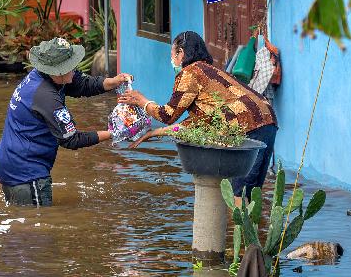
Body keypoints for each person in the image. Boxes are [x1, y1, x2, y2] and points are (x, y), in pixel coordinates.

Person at [118, 31, 277, 203]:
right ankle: (257, 229)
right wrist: (154, 133)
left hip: (248, 125)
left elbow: (167, 115)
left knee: (238, 196)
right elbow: (195, 123)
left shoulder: (190, 73)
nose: (172, 59)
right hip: (267, 120)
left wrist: (143, 101)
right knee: (252, 193)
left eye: (172, 54)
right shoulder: (208, 71)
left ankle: (239, 230)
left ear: (181, 53)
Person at [0, 37, 131, 207]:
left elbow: (81, 84)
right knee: (38, 226)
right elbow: (71, 139)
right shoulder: (47, 98)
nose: (75, 69)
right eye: (70, 67)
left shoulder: (42, 77)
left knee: (23, 223)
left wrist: (113, 82)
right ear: (57, 72)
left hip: (10, 162)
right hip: (26, 173)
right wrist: (115, 132)